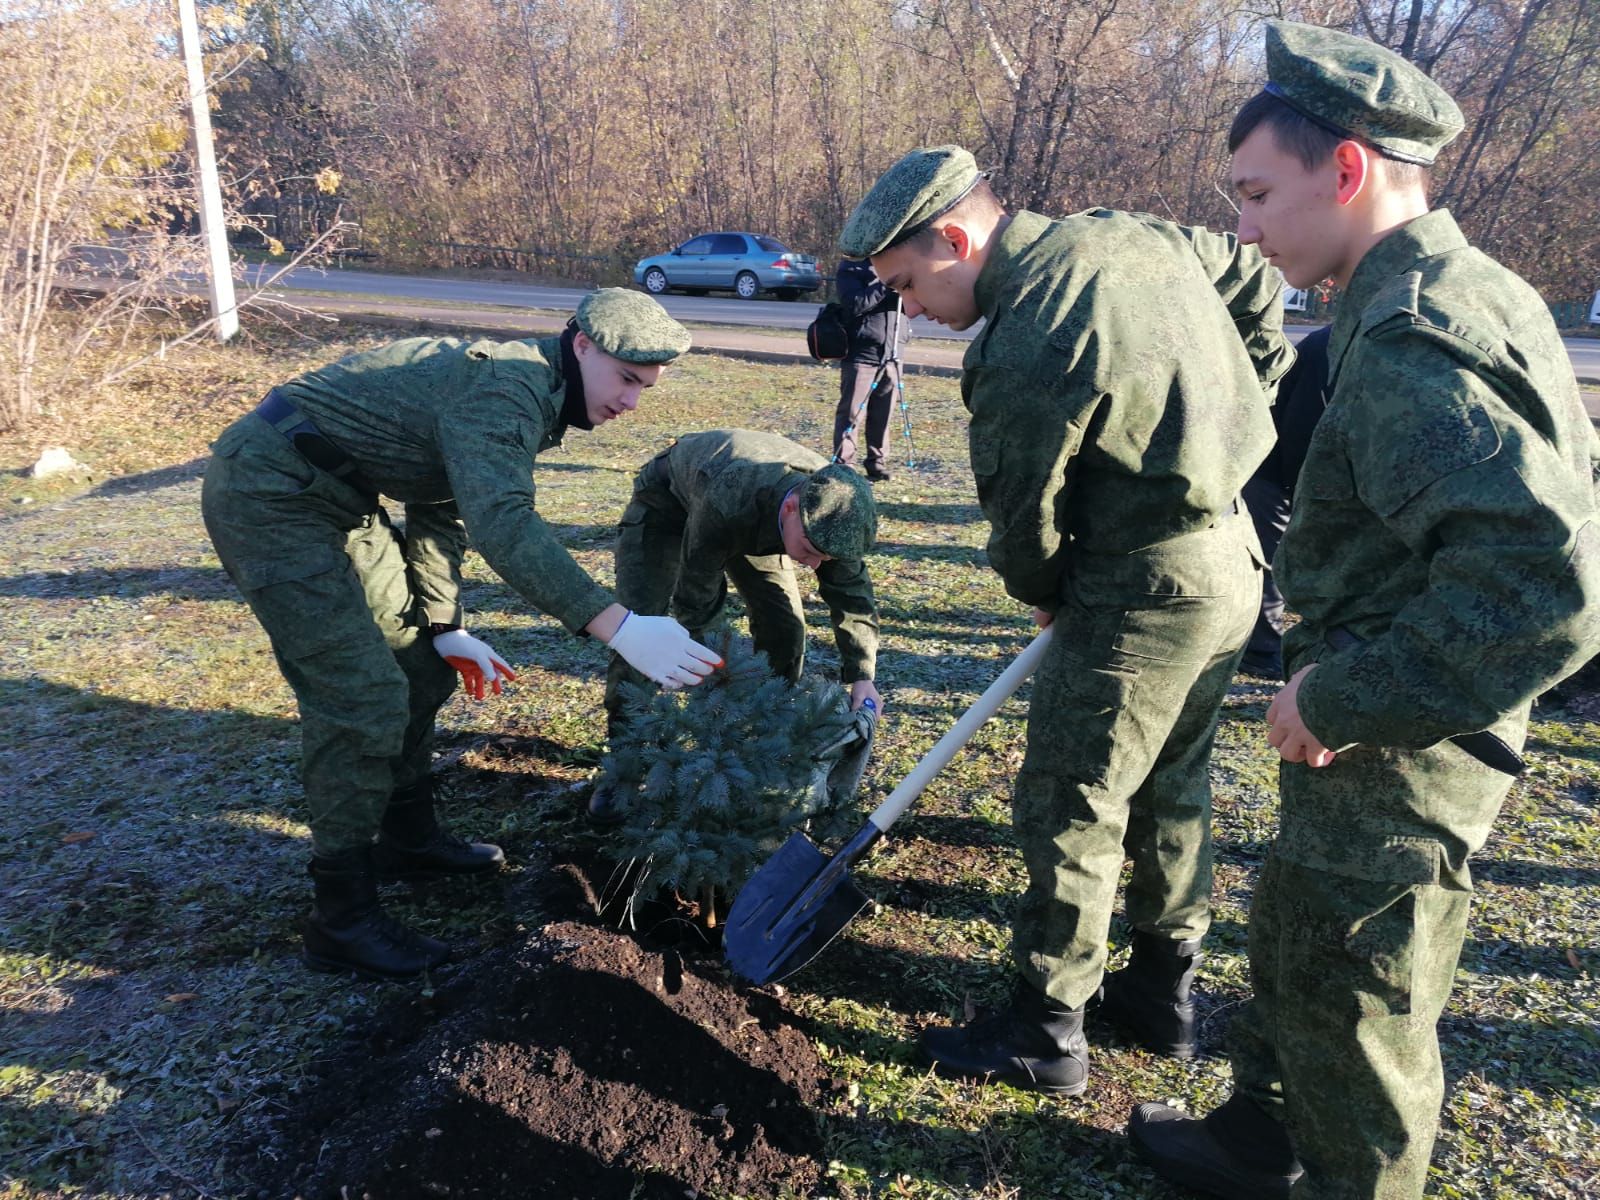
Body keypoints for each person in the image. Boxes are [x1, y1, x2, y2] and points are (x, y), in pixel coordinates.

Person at [1128, 22, 1600, 1200]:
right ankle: (1258, 1140)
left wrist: (1340, 693)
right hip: (1363, 712)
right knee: (1295, 939)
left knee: (1360, 996)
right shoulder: (1459, 289)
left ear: (1346, 170)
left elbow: (1542, 591)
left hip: (1400, 739)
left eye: (1255, 193)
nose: (1242, 227)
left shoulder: (1411, 335)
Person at [837, 146, 1293, 1094]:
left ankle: (1046, 1028)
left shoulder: (1028, 340)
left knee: (1072, 803)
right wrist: (1243, 403)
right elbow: (1253, 273)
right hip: (1235, 566)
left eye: (909, 285)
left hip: (1140, 592)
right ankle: (1162, 994)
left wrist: (1047, 585)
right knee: (1174, 781)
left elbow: (1023, 524)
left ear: (956, 239)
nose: (908, 310)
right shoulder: (1127, 232)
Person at [202, 289, 723, 981]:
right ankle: (342, 920)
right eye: (627, 379)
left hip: (341, 493)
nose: (632, 402)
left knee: (421, 665)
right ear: (582, 346)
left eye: (646, 387)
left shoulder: (536, 394)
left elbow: (440, 505)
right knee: (361, 698)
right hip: (269, 491)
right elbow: (503, 524)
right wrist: (618, 626)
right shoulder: (509, 389)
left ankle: (407, 840)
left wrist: (445, 625)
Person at [593, 429, 882, 818]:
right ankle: (622, 771)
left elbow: (853, 595)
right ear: (791, 507)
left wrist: (863, 675)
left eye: (825, 558)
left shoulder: (836, 516)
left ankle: (762, 747)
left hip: (756, 520)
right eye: (810, 553)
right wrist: (721, 680)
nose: (814, 566)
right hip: (669, 507)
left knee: (784, 628)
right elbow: (697, 600)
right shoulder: (732, 498)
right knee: (640, 629)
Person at [1238, 323, 1332, 680]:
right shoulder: (1328, 348)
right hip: (1273, 469)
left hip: (1294, 467)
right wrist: (1300, 493)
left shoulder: (1347, 340)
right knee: (1270, 559)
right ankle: (1260, 651)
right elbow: (1302, 423)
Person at [832, 256, 908, 482]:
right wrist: (885, 285)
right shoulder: (851, 268)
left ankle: (877, 462)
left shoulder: (899, 265)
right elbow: (854, 303)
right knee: (852, 412)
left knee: (883, 412)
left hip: (894, 351)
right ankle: (844, 464)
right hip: (862, 352)